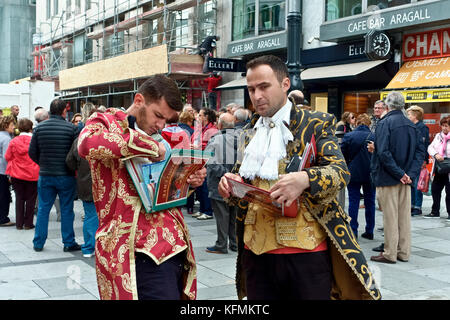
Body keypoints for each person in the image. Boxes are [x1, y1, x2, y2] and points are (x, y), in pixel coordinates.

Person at [218, 55, 380, 300]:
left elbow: (340, 172)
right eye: (251, 89)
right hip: (255, 253)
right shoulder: (249, 131)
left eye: (264, 86)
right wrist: (231, 185)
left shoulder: (316, 123)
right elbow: (246, 184)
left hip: (305, 254)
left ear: (285, 84)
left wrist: (305, 179)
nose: (257, 95)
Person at [78, 74, 206, 300]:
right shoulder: (106, 121)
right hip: (129, 249)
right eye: (158, 115)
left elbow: (167, 188)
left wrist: (189, 181)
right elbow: (87, 144)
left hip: (174, 244)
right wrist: (150, 147)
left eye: (166, 120)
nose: (160, 124)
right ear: (139, 101)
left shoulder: (161, 135)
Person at [370, 92, 425, 264]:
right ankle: (403, 252)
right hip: (406, 178)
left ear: (387, 106)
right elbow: (419, 152)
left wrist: (400, 174)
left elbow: (384, 153)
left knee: (390, 217)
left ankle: (390, 253)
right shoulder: (411, 125)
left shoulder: (384, 123)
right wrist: (410, 174)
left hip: (389, 177)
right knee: (404, 217)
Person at [28, 99, 79, 252]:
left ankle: (38, 243)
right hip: (66, 175)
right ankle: (68, 242)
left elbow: (32, 152)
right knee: (66, 209)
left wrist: (42, 163)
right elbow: (76, 153)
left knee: (43, 208)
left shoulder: (39, 128)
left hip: (45, 174)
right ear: (64, 111)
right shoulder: (71, 128)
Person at [205, 112, 238, 254]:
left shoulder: (216, 139)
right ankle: (235, 243)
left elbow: (209, 160)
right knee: (233, 215)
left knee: (222, 216)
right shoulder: (242, 139)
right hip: (237, 183)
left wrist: (224, 174)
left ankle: (221, 244)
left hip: (219, 183)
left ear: (220, 125)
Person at [340, 113, 376, 239]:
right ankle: (369, 230)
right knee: (370, 201)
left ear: (357, 123)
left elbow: (342, 154)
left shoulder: (349, 136)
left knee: (353, 201)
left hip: (353, 172)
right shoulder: (374, 136)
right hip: (370, 173)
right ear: (368, 124)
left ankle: (353, 230)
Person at [66, 136, 98, 258]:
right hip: (103, 183)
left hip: (85, 182)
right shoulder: (110, 136)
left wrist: (80, 170)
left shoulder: (80, 138)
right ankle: (93, 247)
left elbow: (70, 160)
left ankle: (89, 247)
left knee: (90, 215)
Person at [5, 118, 39, 230]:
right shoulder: (35, 140)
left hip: (17, 174)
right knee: (31, 199)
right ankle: (28, 223)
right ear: (30, 128)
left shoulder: (14, 141)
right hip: (33, 173)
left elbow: (7, 157)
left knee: (19, 198)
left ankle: (19, 223)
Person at [191, 107, 218, 220]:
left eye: (200, 115)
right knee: (200, 187)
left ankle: (207, 211)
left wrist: (197, 147)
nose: (198, 117)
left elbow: (210, 146)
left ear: (206, 117)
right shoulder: (201, 128)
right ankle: (202, 209)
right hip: (198, 160)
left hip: (206, 161)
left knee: (206, 186)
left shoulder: (212, 130)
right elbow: (194, 139)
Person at [425, 116, 450, 219]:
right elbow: (430, 147)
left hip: (449, 168)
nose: (444, 128)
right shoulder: (438, 136)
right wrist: (435, 154)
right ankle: (435, 211)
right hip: (439, 168)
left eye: (447, 126)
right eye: (443, 126)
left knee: (449, 192)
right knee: (435, 190)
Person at [406, 105, 430, 217]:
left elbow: (425, 145)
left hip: (418, 159)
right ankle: (411, 205)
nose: (408, 116)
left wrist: (425, 160)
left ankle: (417, 207)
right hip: (410, 158)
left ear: (415, 115)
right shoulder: (410, 126)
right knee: (411, 182)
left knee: (417, 184)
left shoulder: (422, 127)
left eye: (409, 114)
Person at [0, 116, 16, 227]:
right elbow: (7, 157)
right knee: (4, 195)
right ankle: (3, 218)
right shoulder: (6, 139)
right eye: (12, 125)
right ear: (6, 126)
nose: (14, 127)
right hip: (3, 170)